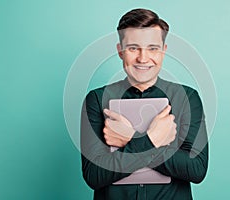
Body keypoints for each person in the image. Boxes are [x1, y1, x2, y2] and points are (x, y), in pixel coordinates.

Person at [80, 8, 208, 200]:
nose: (142, 58)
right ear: (120, 51)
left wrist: (130, 137)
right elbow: (94, 176)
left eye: (152, 48)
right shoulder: (97, 100)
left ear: (163, 51)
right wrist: (152, 141)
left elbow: (196, 170)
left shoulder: (187, 98)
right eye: (133, 48)